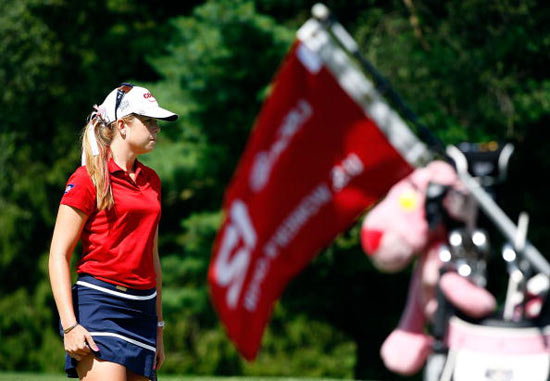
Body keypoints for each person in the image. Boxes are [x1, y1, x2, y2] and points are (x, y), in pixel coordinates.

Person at [48, 83, 178, 381]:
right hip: (100, 304)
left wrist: (159, 328)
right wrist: (69, 325)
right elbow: (58, 254)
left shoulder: (152, 181)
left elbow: (152, 257)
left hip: (143, 311)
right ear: (122, 125)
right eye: (147, 122)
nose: (155, 129)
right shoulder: (87, 178)